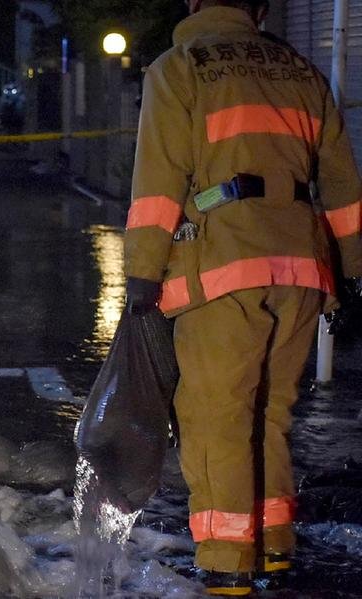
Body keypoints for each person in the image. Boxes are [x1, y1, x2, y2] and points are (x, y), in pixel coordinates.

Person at [124, 0, 362, 593]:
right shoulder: (299, 69)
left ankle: (228, 569)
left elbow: (159, 178)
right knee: (270, 417)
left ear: (191, 4)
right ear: (257, 8)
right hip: (303, 266)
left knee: (217, 420)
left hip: (224, 263)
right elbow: (341, 182)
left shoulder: (179, 66)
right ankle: (274, 549)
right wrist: (353, 275)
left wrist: (143, 271)